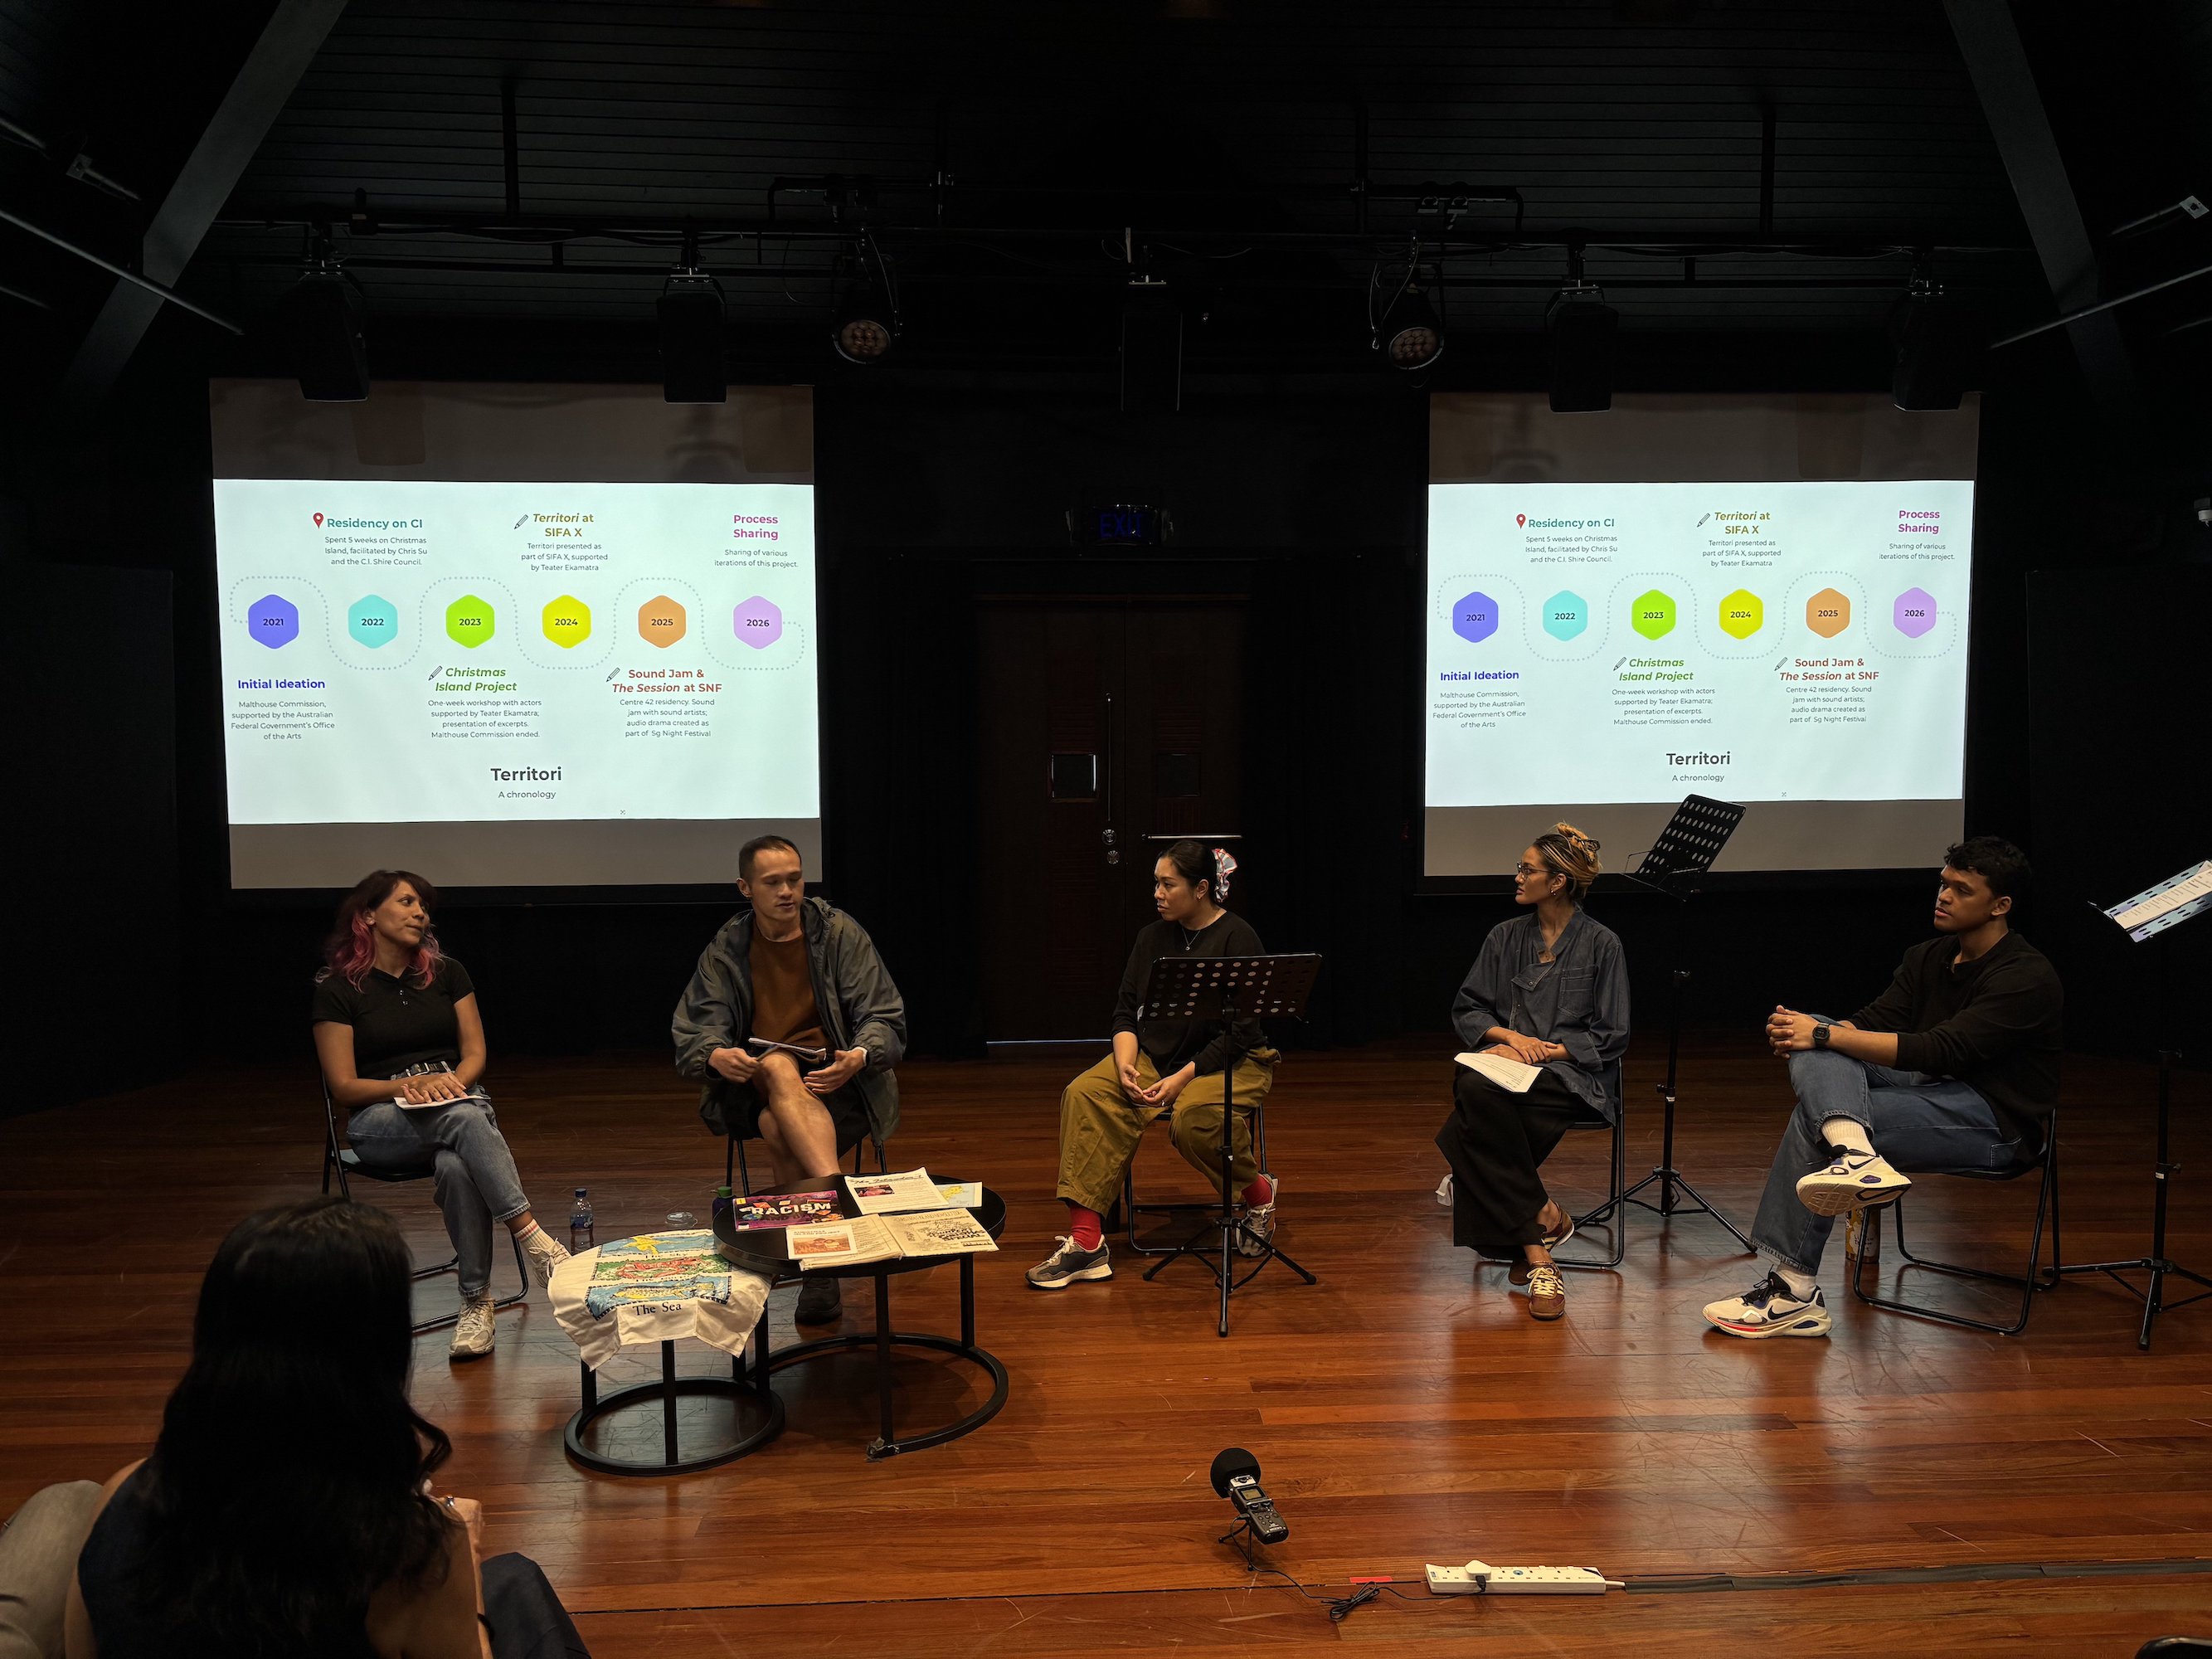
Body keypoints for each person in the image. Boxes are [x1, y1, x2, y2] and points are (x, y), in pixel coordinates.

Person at [63, 1197, 591, 1658]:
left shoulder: (121, 1498)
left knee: (516, 1578)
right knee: (515, 1583)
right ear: (370, 1363)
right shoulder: (409, 1557)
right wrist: (466, 1568)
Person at [1703, 836, 2063, 1339]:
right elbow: (1870, 1024)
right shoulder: (1928, 956)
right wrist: (1809, 1034)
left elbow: (1942, 1050)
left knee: (1817, 1100)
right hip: (1931, 1089)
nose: (1943, 896)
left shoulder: (2026, 975)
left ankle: (1794, 1289)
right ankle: (1855, 1158)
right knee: (1825, 1036)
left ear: (2000, 906)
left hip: (1997, 1124)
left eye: (1961, 889)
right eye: (1943, 883)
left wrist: (1822, 1035)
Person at [311, 870, 570, 1361]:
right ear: (368, 915)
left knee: (456, 1159)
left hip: (456, 1102)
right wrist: (411, 1086)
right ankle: (536, 1241)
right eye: (406, 902)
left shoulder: (447, 973)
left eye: (423, 906)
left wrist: (451, 1083)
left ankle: (476, 1302)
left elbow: (474, 1055)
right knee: (468, 1120)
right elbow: (344, 1086)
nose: (419, 913)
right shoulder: (338, 991)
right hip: (380, 1121)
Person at [672, 834, 908, 1326]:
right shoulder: (729, 947)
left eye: (794, 879)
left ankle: (817, 1267)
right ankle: (839, 1196)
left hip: (835, 1082)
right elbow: (697, 1027)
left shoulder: (838, 933)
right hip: (754, 1080)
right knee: (778, 1064)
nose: (787, 891)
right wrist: (716, 1056)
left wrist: (860, 1055)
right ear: (745, 888)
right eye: (772, 882)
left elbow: (883, 1016)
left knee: (778, 1126)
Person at [1028, 842, 1281, 1291]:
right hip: (1155, 1057)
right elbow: (1126, 1013)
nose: (1158, 894)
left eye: (1168, 884)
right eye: (1156, 884)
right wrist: (1125, 1064)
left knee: (1195, 1120)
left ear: (1202, 888)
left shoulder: (1238, 937)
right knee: (1085, 1092)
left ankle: (1258, 1194)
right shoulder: (1152, 938)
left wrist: (1183, 1079)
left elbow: (1240, 1032)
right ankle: (1087, 1246)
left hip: (1232, 1060)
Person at [1434, 824, 1629, 1323]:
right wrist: (1511, 1041)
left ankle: (1507, 1207)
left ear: (1559, 881)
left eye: (1528, 869)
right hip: (1507, 1070)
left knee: (1468, 1126)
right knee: (1476, 1083)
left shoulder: (1603, 944)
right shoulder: (1504, 936)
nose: (1517, 876)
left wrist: (1545, 1054)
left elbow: (1612, 1034)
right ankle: (1541, 1232)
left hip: (1574, 1077)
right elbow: (1469, 1008)